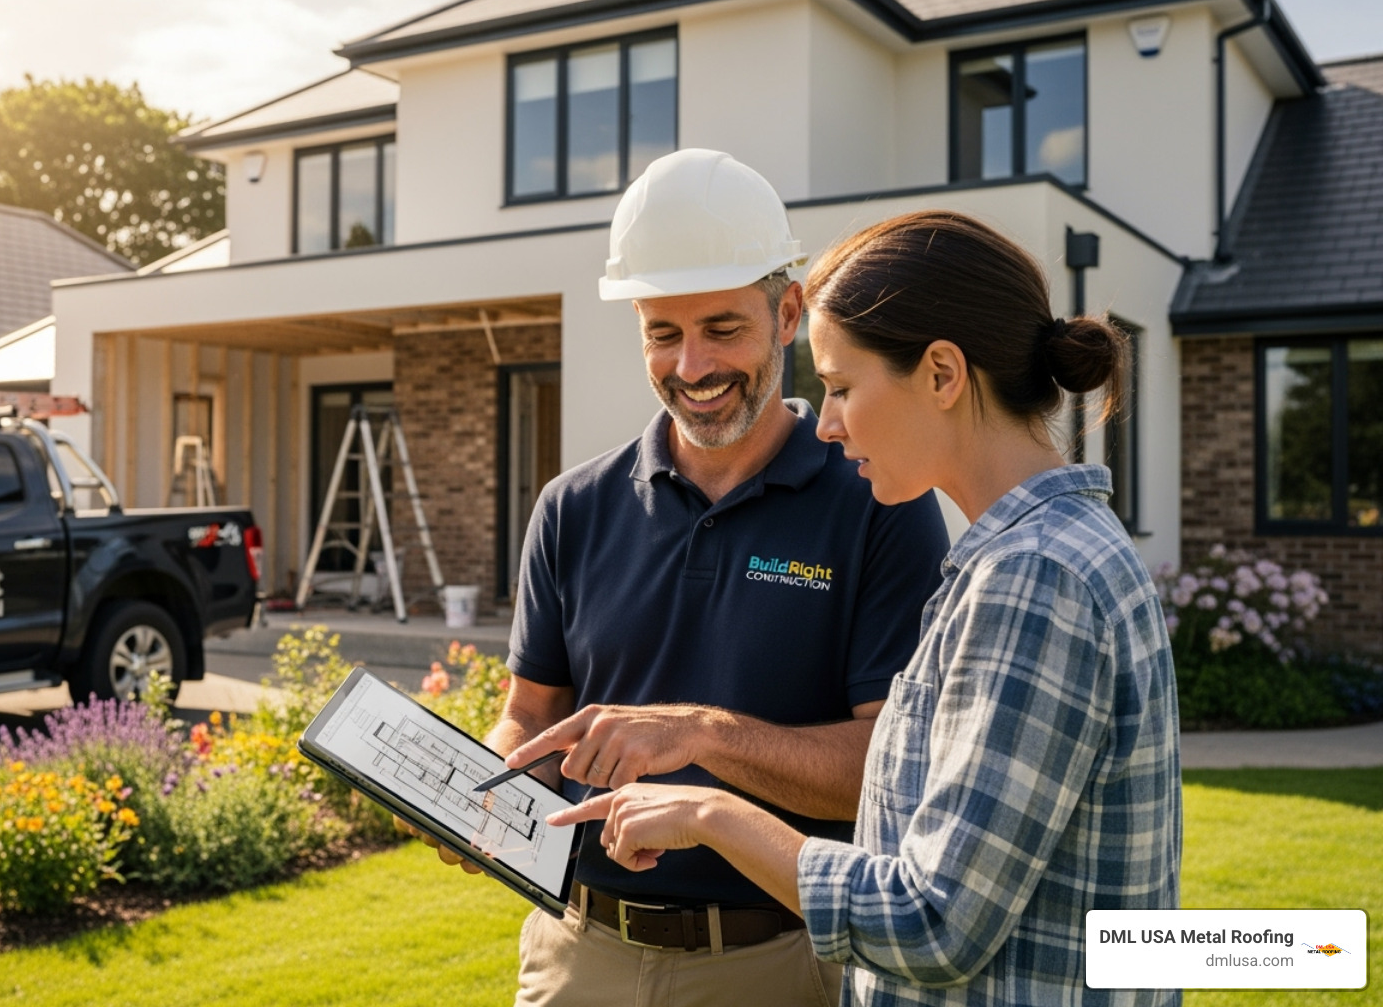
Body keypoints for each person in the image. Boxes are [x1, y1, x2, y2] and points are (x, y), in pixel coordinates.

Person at [552, 210, 1183, 1006]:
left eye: (843, 387)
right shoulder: (1027, 554)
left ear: (943, 374)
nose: (830, 421)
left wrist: (713, 814)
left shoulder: (1034, 578)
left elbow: (930, 923)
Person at [428, 149, 950, 1006]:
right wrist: (488, 784)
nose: (693, 367)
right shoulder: (572, 507)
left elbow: (892, 768)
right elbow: (531, 711)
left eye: (722, 329)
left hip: (777, 960)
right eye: (663, 334)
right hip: (576, 951)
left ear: (788, 315)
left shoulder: (876, 501)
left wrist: (702, 734)